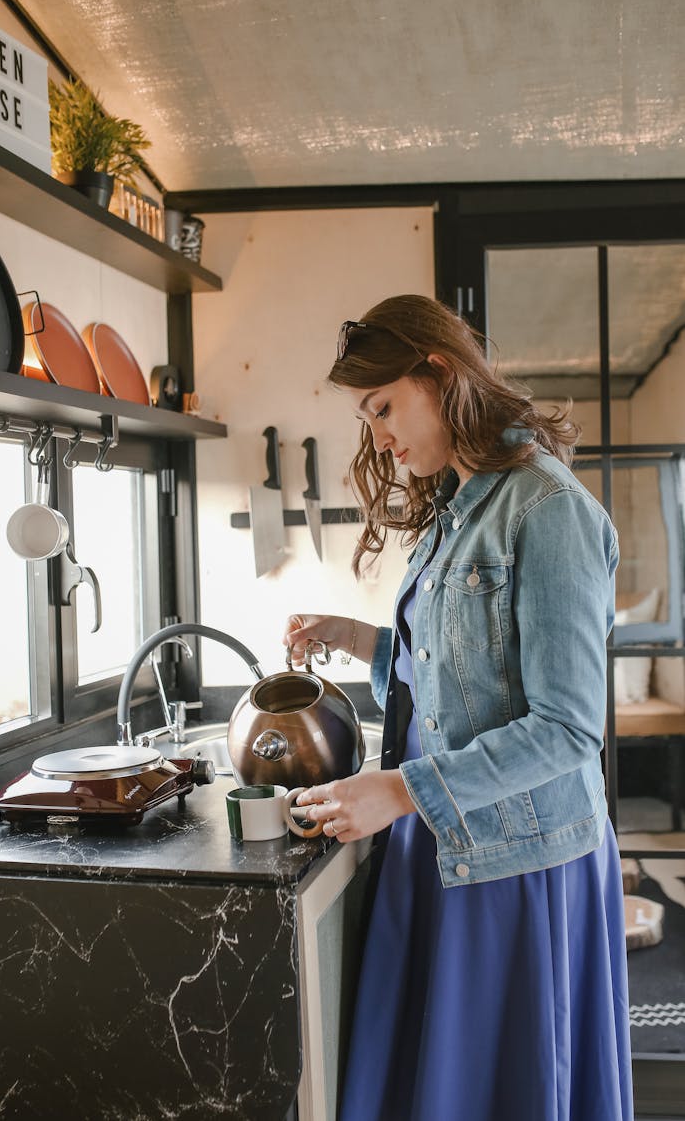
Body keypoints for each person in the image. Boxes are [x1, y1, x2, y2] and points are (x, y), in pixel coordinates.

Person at [283, 294, 633, 1121]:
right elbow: (454, 677)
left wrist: (399, 790)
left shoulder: (549, 512)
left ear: (438, 372)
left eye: (383, 408)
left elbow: (569, 728)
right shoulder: (456, 505)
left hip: (519, 866)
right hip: (444, 845)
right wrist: (361, 638)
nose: (379, 437)